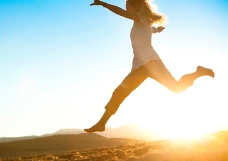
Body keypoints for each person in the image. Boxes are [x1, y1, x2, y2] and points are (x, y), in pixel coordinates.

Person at [84, 0, 215, 133]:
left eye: (128, 6)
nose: (127, 9)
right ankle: (101, 124)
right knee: (120, 92)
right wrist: (157, 30)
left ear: (136, 7)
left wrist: (103, 4)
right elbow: (151, 30)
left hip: (152, 63)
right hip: (140, 67)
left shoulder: (139, 17)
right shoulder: (143, 22)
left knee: (176, 88)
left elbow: (121, 13)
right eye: (126, 7)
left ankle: (199, 73)